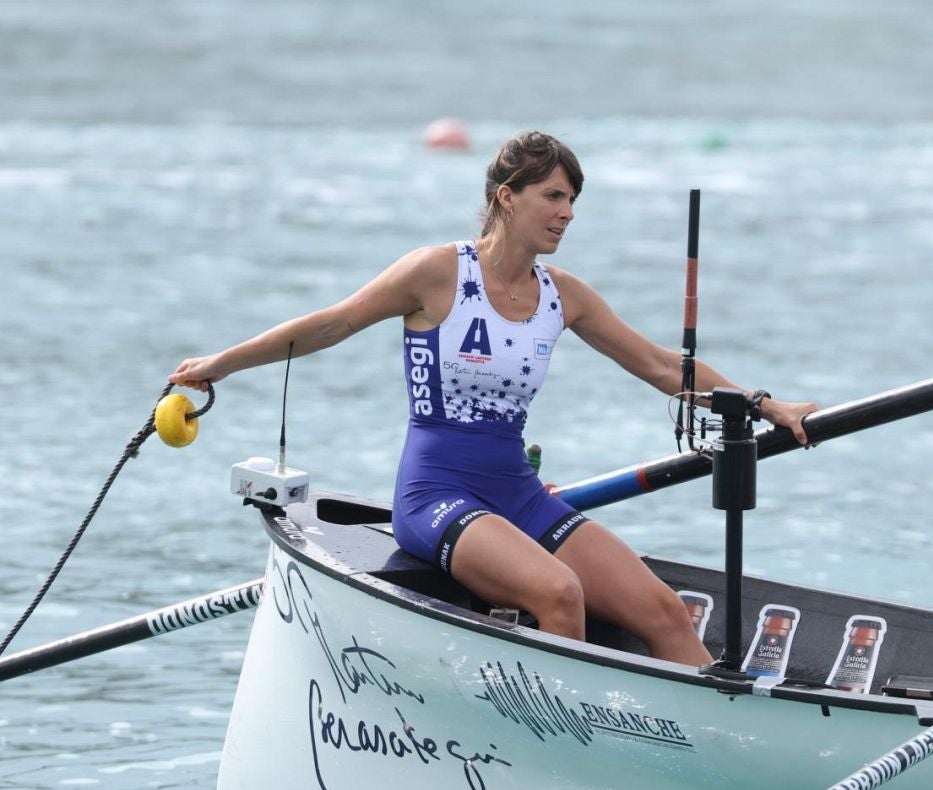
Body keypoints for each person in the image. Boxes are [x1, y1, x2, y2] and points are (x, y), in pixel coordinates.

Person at [170, 130, 817, 667]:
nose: (567, 212)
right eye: (554, 197)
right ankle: (567, 749)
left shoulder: (565, 295)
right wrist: (219, 365)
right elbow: (331, 324)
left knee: (663, 612)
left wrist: (766, 405)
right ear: (507, 198)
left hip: (516, 493)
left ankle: (711, 747)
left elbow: (657, 366)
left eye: (573, 201)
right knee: (560, 593)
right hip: (435, 495)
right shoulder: (435, 272)